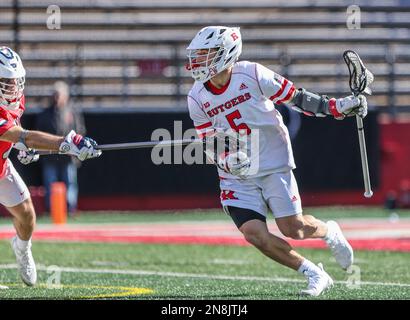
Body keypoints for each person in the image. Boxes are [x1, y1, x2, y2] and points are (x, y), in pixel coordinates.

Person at [186, 26, 368, 296]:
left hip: (272, 160)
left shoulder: (252, 73)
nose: (198, 61)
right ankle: (313, 273)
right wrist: (226, 159)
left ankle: (329, 231)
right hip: (237, 173)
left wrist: (336, 107)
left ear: (226, 53)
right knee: (254, 233)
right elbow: (208, 141)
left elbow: (296, 98)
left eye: (206, 54)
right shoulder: (196, 97)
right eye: (198, 55)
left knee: (293, 228)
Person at [0, 46, 101, 287]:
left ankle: (22, 249)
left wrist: (21, 147)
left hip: (0, 168)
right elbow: (20, 134)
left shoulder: (15, 100)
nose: (13, 86)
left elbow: (15, 131)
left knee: (27, 216)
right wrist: (66, 142)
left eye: (15, 80)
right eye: (6, 81)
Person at [36, 81, 86, 215]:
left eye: (59, 95)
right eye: (55, 95)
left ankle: (70, 208)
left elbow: (80, 131)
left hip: (69, 155)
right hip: (50, 154)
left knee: (70, 182)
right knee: (49, 183)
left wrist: (75, 146)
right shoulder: (45, 113)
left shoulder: (72, 112)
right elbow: (39, 133)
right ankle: (51, 209)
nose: (57, 98)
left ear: (66, 96)